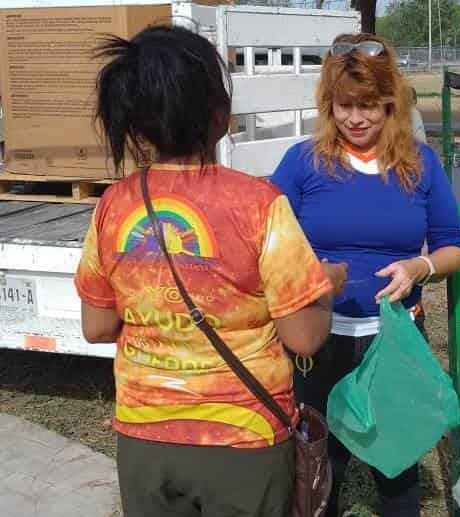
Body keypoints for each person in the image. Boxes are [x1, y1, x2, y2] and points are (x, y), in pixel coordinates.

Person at [75, 25, 346, 517]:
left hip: (144, 438)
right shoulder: (259, 205)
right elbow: (304, 337)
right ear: (219, 116)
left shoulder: (112, 206)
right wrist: (325, 288)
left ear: (135, 123)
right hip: (245, 441)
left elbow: (97, 327)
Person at [270, 33, 460, 517]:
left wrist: (419, 266)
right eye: (344, 106)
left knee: (395, 464)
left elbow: (453, 248)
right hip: (318, 337)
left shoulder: (420, 165)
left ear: (390, 104)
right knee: (319, 463)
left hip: (393, 336)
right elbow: (265, 241)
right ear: (328, 105)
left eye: (370, 106)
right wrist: (304, 272)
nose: (356, 118)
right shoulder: (302, 163)